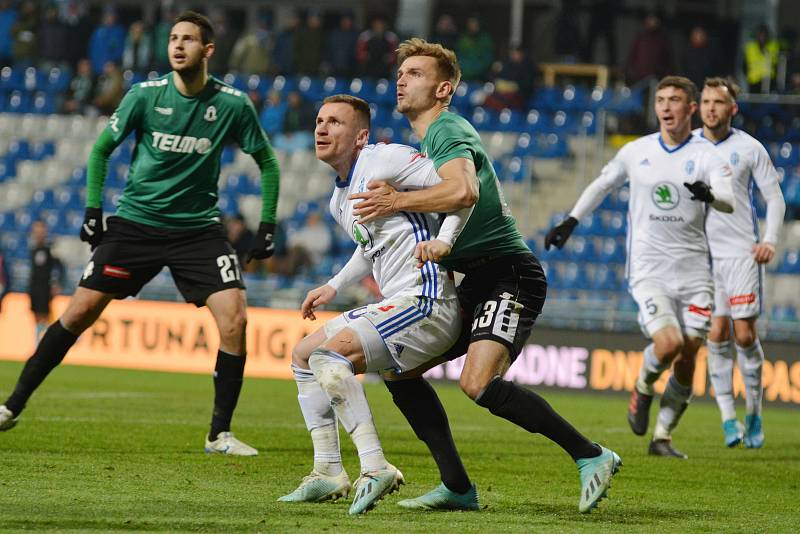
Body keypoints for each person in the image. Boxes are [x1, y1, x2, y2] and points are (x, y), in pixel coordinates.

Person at [350, 38, 621, 513]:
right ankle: (456, 486)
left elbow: (463, 190)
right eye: (401, 72)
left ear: (444, 89)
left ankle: (591, 454)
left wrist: (396, 200)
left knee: (477, 384)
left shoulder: (447, 129)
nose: (402, 78)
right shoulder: (427, 141)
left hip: (507, 274)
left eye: (415, 73)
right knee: (400, 369)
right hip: (469, 281)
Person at [0, 12, 281, 458]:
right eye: (173, 38)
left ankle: (219, 434)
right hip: (136, 224)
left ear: (208, 50)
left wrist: (266, 224)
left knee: (236, 318)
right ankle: (11, 406)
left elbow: (267, 161)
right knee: (79, 312)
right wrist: (94, 209)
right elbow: (101, 150)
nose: (178, 45)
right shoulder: (144, 96)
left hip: (198, 231)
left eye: (189, 39)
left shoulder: (232, 104)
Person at [279, 94, 472, 514]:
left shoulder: (384, 159)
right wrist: (332, 285)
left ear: (360, 136)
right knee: (303, 355)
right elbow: (371, 247)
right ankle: (328, 470)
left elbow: (459, 193)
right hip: (399, 302)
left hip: (428, 299)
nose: (321, 128)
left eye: (334, 122)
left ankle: (375, 466)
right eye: (319, 120)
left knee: (331, 357)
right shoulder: (337, 200)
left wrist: (444, 240)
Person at [545, 75, 735, 459]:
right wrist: (572, 220)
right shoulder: (637, 151)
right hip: (650, 270)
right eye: (660, 99)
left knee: (687, 356)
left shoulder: (709, 155)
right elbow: (602, 184)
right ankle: (643, 387)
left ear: (691, 108)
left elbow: (729, 199)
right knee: (668, 344)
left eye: (674, 100)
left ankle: (662, 437)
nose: (665, 107)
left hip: (696, 272)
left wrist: (711, 195)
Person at [697, 78, 786, 448]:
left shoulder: (749, 148)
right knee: (716, 334)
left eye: (718, 102)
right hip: (703, 257)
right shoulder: (688, 148)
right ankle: (728, 419)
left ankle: (754, 411)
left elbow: (775, 199)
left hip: (741, 254)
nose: (711, 108)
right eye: (705, 101)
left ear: (732, 108)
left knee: (744, 334)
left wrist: (769, 240)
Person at [28, 220, 64, 342]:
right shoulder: (33, 248)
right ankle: (39, 342)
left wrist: (58, 283)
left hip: (45, 288)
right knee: (36, 316)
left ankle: (46, 343)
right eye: (36, 230)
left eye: (40, 229)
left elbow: (60, 266)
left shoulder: (50, 249)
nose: (38, 232)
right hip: (34, 288)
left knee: (45, 316)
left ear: (45, 231)